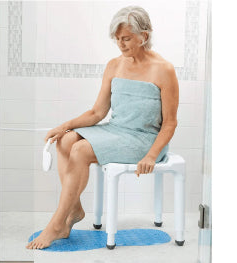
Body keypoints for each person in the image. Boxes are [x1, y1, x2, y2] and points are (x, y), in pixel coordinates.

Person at [26, 5, 179, 250]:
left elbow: (170, 122)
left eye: (126, 38)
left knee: (80, 150)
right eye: (117, 39)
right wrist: (64, 126)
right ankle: (74, 209)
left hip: (145, 140)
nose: (120, 44)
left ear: (145, 36)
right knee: (66, 140)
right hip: (116, 130)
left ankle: (56, 224)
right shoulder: (114, 65)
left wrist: (151, 155)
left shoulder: (164, 70)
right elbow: (98, 113)